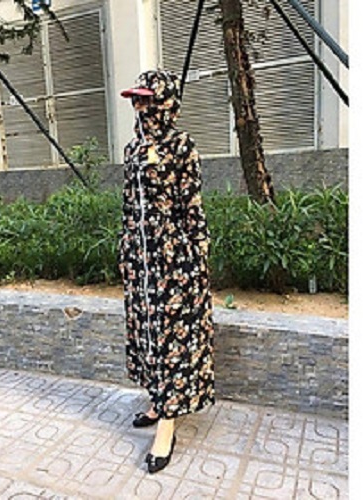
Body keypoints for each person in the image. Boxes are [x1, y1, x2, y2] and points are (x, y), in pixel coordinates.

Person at [117, 69, 215, 474]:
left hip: (173, 257)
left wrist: (199, 252)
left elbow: (191, 204)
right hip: (139, 258)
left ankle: (168, 424)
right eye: (136, 99)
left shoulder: (181, 145)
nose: (139, 106)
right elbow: (128, 204)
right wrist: (124, 246)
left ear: (164, 103)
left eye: (146, 99)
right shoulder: (132, 149)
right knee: (147, 331)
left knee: (174, 334)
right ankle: (158, 401)